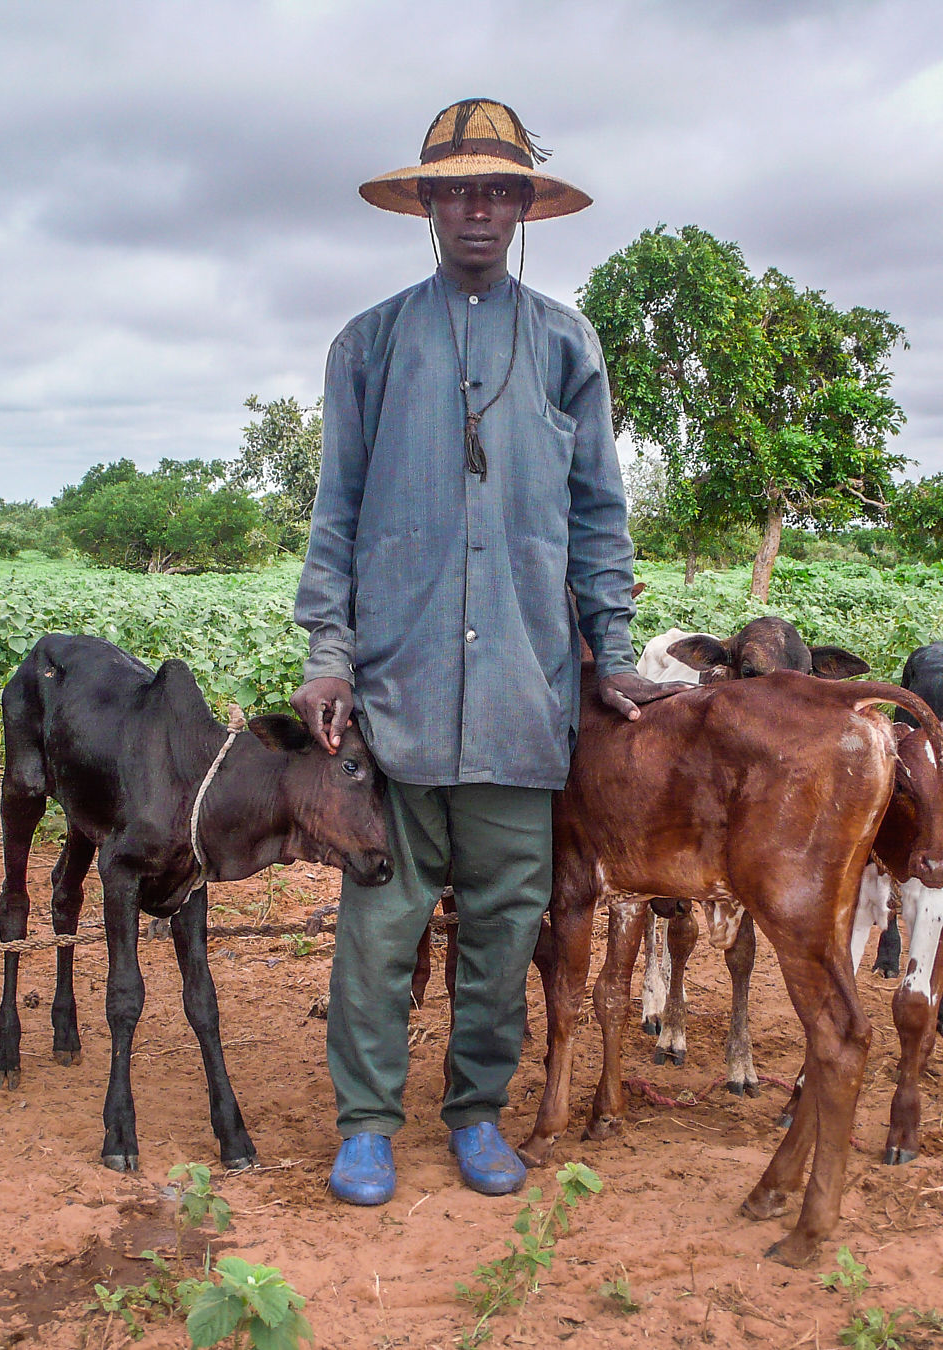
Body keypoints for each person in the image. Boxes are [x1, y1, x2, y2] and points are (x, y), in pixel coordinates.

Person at [291, 98, 670, 1206]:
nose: (478, 210)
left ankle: (476, 1112)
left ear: (522, 209)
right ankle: (365, 1122)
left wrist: (614, 646)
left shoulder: (563, 343)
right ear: (426, 204)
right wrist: (330, 654)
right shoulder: (368, 344)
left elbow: (600, 512)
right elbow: (337, 515)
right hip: (400, 698)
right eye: (457, 190)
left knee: (507, 926)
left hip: (520, 696)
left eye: (499, 191)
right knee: (380, 922)